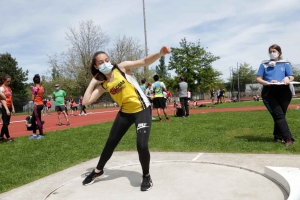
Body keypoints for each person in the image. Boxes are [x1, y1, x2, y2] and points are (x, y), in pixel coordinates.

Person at [82, 45, 171, 191]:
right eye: (100, 62)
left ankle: (146, 176)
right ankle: (98, 171)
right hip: (125, 113)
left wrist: (160, 53)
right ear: (96, 66)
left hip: (142, 110)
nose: (105, 63)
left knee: (141, 145)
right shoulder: (104, 83)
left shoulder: (121, 68)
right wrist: (93, 82)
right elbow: (86, 101)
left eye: (107, 60)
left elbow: (144, 61)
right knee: (110, 143)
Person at [256, 44, 294, 146]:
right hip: (269, 92)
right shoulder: (264, 64)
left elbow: (291, 77)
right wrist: (267, 82)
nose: (272, 53)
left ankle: (277, 137)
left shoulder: (285, 63)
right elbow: (258, 78)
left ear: (279, 52)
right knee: (279, 115)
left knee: (280, 115)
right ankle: (288, 138)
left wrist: (287, 79)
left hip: (284, 92)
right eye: (271, 51)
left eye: (274, 51)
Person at [29, 74, 45, 139]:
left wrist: (33, 89)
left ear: (34, 81)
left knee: (38, 119)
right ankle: (34, 133)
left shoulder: (34, 88)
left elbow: (32, 98)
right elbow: (39, 91)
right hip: (41, 104)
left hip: (37, 104)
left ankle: (41, 134)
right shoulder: (42, 87)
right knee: (33, 119)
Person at [0, 75, 15, 142]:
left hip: (9, 106)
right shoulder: (1, 88)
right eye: (7, 81)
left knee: (7, 123)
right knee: (5, 123)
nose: (9, 82)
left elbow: (11, 99)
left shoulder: (9, 88)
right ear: (3, 81)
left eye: (10, 81)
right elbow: (2, 100)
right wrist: (6, 109)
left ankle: (1, 136)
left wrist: (13, 108)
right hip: (3, 107)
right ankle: (8, 138)